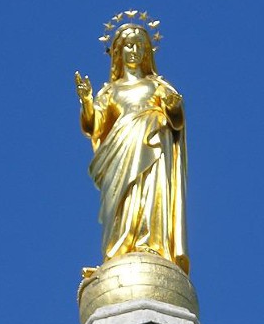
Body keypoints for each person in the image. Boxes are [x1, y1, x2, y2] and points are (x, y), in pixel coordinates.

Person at [75, 23, 190, 275]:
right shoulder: (111, 92)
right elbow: (96, 127)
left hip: (154, 147)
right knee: (122, 203)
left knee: (150, 194)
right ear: (118, 52)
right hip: (121, 151)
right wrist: (86, 102)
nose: (134, 50)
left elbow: (177, 121)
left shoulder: (157, 86)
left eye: (140, 45)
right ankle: (120, 247)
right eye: (128, 45)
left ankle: (150, 242)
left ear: (147, 52)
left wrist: (171, 108)